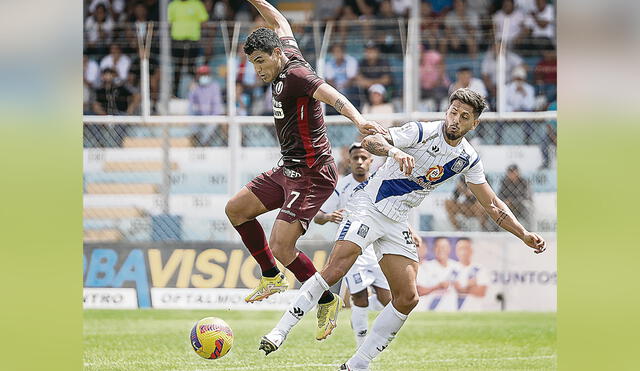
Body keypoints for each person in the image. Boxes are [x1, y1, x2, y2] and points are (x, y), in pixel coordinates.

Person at [260, 89, 547, 370]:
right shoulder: (422, 132)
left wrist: (523, 234)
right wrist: (394, 151)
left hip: (398, 220)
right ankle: (280, 331)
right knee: (336, 269)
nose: (455, 120)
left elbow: (493, 204)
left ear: (474, 123)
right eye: (453, 112)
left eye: (464, 116)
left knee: (407, 298)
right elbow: (371, 141)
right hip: (370, 205)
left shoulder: (468, 158)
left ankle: (357, 365)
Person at [223, 0, 386, 337]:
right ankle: (271, 276)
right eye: (252, 63)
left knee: (282, 245)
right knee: (236, 209)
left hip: (313, 174)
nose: (257, 70)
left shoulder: (297, 74)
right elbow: (279, 19)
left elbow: (331, 95)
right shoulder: (286, 51)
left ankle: (327, 298)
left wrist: (358, 119)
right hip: (289, 169)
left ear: (275, 54)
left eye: (259, 61)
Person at [314, 143, 394, 348]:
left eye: (363, 158)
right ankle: (361, 345)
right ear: (349, 161)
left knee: (390, 301)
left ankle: (360, 320)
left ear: (371, 161)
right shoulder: (341, 187)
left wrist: (410, 231)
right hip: (352, 250)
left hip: (377, 248)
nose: (359, 162)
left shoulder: (379, 183)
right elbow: (318, 216)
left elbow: (394, 210)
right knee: (359, 296)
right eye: (355, 158)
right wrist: (328, 216)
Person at [168, 0, 209, 97]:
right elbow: (168, 23)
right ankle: (174, 94)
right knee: (177, 69)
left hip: (193, 41)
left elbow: (204, 22)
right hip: (177, 42)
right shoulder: (173, 5)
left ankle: (198, 93)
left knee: (193, 69)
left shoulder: (197, 4)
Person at [453, 238, 489, 311]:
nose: (463, 252)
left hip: (474, 310)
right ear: (456, 251)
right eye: (460, 249)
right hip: (453, 311)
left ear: (471, 250)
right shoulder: (451, 268)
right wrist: (469, 285)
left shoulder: (479, 269)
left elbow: (481, 292)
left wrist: (460, 288)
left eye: (466, 248)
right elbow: (449, 290)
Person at [325, 44, 360, 114]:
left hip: (349, 88)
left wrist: (342, 87)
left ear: (343, 52)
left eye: (339, 51)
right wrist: (337, 89)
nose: (337, 53)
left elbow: (351, 79)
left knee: (353, 90)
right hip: (335, 89)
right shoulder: (329, 64)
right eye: (335, 52)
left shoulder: (351, 61)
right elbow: (330, 80)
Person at [498, 164, 532, 228]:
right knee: (498, 207)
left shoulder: (524, 182)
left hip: (520, 206)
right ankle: (499, 230)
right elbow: (500, 195)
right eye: (510, 172)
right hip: (509, 207)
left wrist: (512, 201)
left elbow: (526, 196)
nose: (511, 174)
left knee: (527, 205)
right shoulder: (505, 182)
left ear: (517, 172)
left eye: (513, 172)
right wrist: (506, 201)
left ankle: (530, 229)